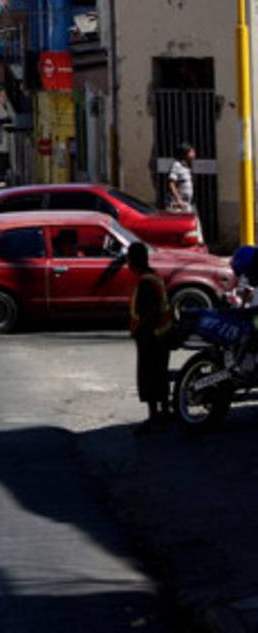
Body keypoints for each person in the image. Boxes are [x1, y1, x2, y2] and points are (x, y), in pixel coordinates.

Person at [127, 242, 173, 434]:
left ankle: (154, 417)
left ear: (133, 262)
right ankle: (165, 412)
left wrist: (139, 331)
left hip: (151, 338)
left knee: (149, 377)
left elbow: (149, 314)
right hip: (162, 335)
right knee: (160, 375)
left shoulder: (146, 282)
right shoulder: (155, 276)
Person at [167, 143, 195, 213]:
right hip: (178, 205)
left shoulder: (187, 166)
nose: (194, 154)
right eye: (192, 152)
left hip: (186, 204)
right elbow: (171, 183)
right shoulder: (177, 165)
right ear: (185, 153)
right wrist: (178, 199)